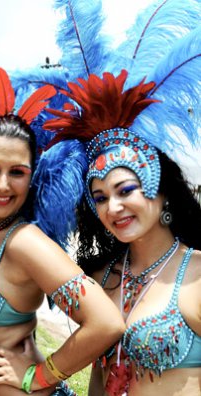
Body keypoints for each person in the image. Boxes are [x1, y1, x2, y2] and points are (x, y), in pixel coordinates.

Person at [0, 67, 125, 395]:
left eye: (17, 172)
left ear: (32, 175)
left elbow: (106, 322)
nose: (3, 184)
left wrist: (40, 375)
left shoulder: (24, 242)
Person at [43, 68, 201, 396]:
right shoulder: (100, 277)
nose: (112, 207)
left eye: (126, 190)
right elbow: (99, 379)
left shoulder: (196, 275)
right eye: (100, 198)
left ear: (162, 191)